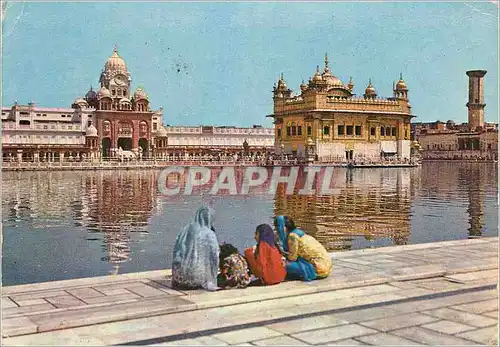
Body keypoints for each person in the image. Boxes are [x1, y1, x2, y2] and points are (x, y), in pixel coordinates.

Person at [171, 206, 219, 291]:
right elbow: (215, 255)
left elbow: (176, 250)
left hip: (179, 277)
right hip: (197, 279)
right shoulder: (209, 234)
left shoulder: (186, 229)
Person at [275, 215, 332, 281]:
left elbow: (292, 258)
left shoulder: (293, 236)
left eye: (278, 227)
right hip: (326, 266)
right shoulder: (298, 232)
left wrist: (282, 253)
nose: (277, 230)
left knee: (282, 264)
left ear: (284, 227)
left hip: (318, 269)